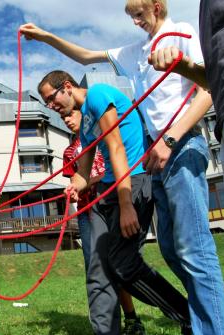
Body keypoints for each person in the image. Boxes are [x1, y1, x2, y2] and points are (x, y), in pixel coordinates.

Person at [20, 1, 224, 333]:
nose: (136, 22)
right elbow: (85, 56)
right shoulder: (134, 53)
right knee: (171, 250)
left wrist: (170, 139)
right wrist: (45, 37)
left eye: (139, 14)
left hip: (178, 147)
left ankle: (214, 328)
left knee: (191, 248)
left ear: (157, 6)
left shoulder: (180, 33)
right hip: (157, 159)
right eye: (131, 17)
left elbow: (208, 88)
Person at [39, 70, 191, 334]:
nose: (51, 107)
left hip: (131, 182)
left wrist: (126, 204)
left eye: (51, 99)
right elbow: (84, 173)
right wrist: (75, 185)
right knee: (102, 266)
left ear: (66, 87)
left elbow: (116, 146)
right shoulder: (86, 120)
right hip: (108, 190)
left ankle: (187, 314)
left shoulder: (97, 95)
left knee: (125, 265)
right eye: (47, 104)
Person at [148, 0, 224, 279]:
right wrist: (184, 66)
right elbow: (213, 81)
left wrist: (171, 137)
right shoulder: (206, 8)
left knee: (200, 248)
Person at [61, 108, 145, 334]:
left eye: (70, 114)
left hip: (113, 205)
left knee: (120, 263)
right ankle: (108, 324)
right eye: (62, 118)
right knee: (96, 268)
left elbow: (113, 167)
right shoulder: (70, 152)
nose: (67, 120)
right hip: (87, 213)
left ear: (83, 113)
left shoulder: (102, 136)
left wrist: (88, 181)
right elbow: (75, 179)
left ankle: (132, 317)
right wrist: (74, 190)